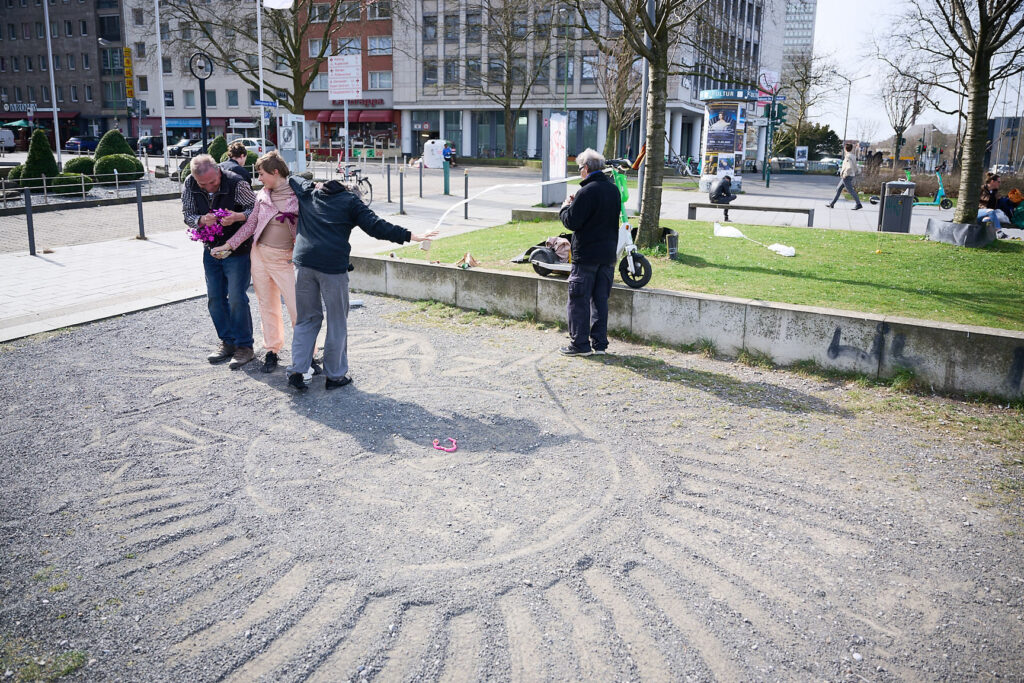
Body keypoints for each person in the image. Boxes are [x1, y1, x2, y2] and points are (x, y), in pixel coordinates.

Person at [286, 178, 437, 391]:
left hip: (303, 264)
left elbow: (295, 178)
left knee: (306, 319)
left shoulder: (310, 194)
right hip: (332, 268)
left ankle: (296, 371)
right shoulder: (350, 202)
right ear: (354, 193)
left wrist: (314, 185)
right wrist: (412, 236)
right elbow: (377, 227)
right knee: (337, 321)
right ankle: (335, 376)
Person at [210, 152, 297, 374]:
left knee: (298, 308)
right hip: (259, 256)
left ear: (275, 172)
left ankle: (307, 352)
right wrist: (229, 246)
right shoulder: (262, 195)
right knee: (267, 305)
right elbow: (250, 226)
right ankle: (272, 349)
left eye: (261, 174)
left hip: (286, 258)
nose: (259, 179)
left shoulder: (299, 194)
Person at [181, 155, 257, 368]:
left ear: (218, 171)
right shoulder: (189, 183)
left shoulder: (236, 183)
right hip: (211, 249)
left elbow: (256, 211)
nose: (209, 187)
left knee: (236, 298)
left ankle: (245, 346)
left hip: (237, 249)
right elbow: (187, 214)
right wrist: (201, 220)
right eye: (202, 184)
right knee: (215, 298)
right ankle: (227, 342)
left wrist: (237, 216)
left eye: (212, 182)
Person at [557, 148, 620, 357]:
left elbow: (572, 222)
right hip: (608, 254)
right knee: (600, 300)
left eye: (579, 168)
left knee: (578, 300)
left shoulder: (586, 191)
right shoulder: (613, 189)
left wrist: (566, 207)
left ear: (586, 168)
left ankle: (580, 344)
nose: (579, 172)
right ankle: (600, 344)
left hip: (586, 255)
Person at [826, 143, 863, 211]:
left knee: (850, 190)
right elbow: (855, 166)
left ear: (845, 149)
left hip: (847, 176)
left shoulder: (848, 157)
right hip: (849, 175)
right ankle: (832, 203)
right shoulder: (853, 156)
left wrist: (845, 174)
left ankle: (858, 204)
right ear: (851, 149)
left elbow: (848, 167)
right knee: (838, 189)